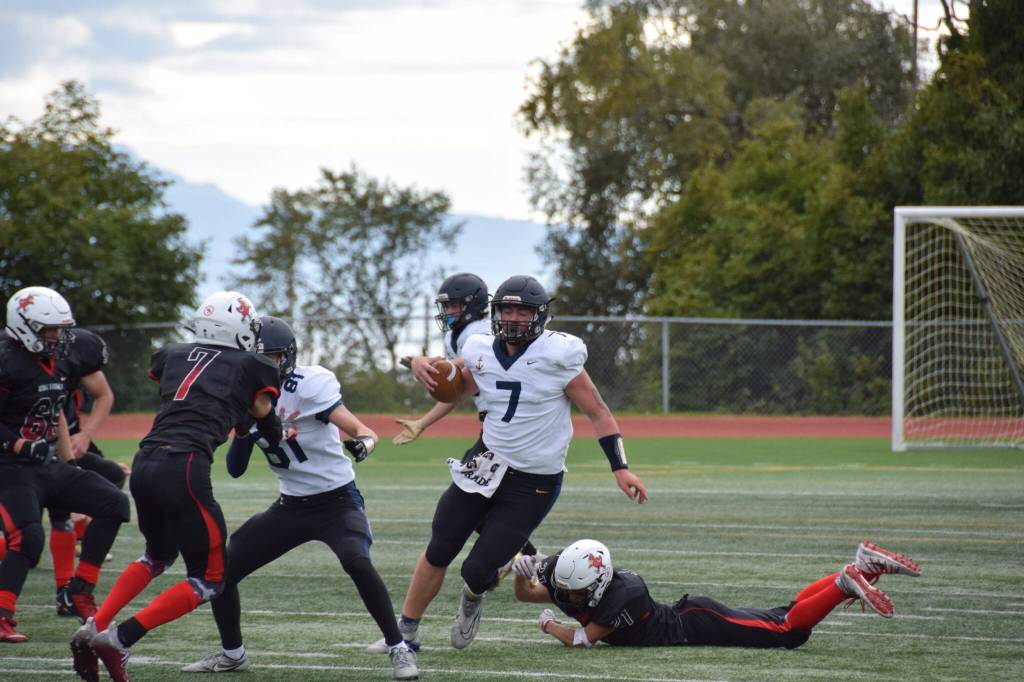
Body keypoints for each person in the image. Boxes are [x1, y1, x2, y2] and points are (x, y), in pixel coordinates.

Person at [377, 275, 648, 653]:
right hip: (486, 462)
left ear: (539, 316)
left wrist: (620, 467)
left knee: (476, 569)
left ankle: (472, 599)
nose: (515, 317)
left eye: (523, 310)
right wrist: (423, 363)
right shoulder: (479, 347)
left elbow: (598, 412)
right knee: (441, 543)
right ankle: (405, 632)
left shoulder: (559, 355)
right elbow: (455, 381)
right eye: (507, 309)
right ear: (495, 311)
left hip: (533, 481)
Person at [181, 316, 417, 680]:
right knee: (222, 571)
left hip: (336, 501)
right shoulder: (241, 394)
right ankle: (233, 654)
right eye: (257, 357)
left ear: (287, 357)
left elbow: (361, 430)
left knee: (356, 560)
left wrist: (363, 444)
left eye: (271, 358)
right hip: (290, 506)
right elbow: (235, 468)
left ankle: (398, 647)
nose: (264, 366)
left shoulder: (309, 385)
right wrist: (243, 426)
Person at [70, 290, 283, 682]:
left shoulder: (172, 354)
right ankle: (118, 638)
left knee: (157, 554)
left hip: (146, 460)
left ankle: (92, 625)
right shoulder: (251, 364)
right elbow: (261, 412)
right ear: (235, 329)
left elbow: (197, 394)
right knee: (211, 578)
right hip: (184, 465)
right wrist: (272, 430)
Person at [0, 286, 131, 643]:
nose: (57, 337)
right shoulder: (6, 360)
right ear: (24, 325)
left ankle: (79, 590)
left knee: (114, 503)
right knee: (27, 536)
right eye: (49, 329)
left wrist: (68, 458)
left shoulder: (65, 356)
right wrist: (18, 443)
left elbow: (55, 407)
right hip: (8, 466)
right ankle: (2, 614)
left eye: (60, 329)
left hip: (45, 462)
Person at [511, 538, 921, 649]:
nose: (566, 595)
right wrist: (522, 573)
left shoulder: (625, 594)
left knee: (788, 633)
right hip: (695, 615)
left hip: (696, 626)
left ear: (596, 585)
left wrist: (549, 626)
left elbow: (582, 639)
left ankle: (843, 582)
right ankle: (859, 566)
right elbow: (531, 592)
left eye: (573, 591)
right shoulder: (572, 574)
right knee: (786, 613)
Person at [50, 327, 131, 615]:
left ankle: (73, 587)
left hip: (60, 443)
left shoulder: (71, 355)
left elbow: (101, 396)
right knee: (25, 538)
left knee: (112, 482)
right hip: (24, 454)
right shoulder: (19, 364)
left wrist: (84, 439)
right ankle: (66, 590)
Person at [392, 272, 492, 446]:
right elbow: (457, 389)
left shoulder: (482, 330)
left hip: (512, 420)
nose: (448, 312)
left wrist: (431, 364)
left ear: (472, 304)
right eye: (445, 306)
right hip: (493, 421)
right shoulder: (452, 337)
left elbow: (471, 357)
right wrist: (422, 423)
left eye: (453, 306)